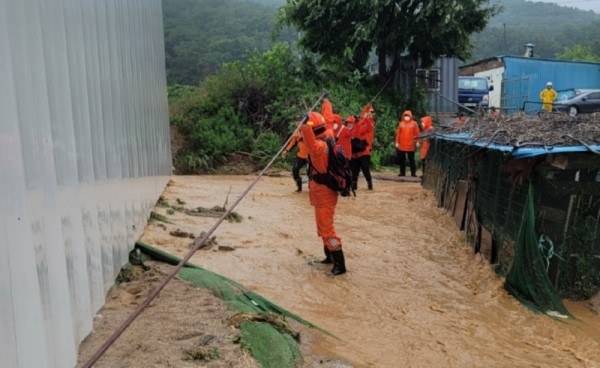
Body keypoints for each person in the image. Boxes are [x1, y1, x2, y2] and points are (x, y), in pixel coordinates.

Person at [300, 111, 346, 275]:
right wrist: (326, 103)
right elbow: (327, 118)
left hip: (324, 195)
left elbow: (309, 142)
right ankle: (330, 258)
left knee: (327, 231)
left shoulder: (318, 148)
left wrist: (304, 125)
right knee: (323, 228)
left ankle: (340, 266)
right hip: (324, 194)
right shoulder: (328, 137)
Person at [350, 104, 375, 190]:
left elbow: (369, 127)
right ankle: (354, 186)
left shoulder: (365, 124)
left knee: (365, 169)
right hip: (354, 154)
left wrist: (365, 118)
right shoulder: (349, 128)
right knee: (354, 172)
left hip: (364, 151)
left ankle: (369, 183)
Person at [282, 120, 308, 192]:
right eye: (296, 122)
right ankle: (299, 187)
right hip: (301, 155)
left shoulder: (309, 129)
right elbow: (292, 143)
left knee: (310, 172)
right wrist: (286, 151)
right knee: (295, 170)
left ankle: (313, 188)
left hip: (310, 156)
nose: (298, 123)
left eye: (299, 121)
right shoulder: (296, 133)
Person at [395, 110, 421, 177]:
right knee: (402, 160)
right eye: (405, 115)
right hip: (402, 145)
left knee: (411, 160)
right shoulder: (401, 123)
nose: (407, 117)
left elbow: (417, 133)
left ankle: (413, 173)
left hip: (410, 145)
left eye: (408, 116)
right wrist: (397, 142)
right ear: (403, 116)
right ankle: (402, 172)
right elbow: (398, 134)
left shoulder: (414, 123)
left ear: (410, 116)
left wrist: (418, 141)